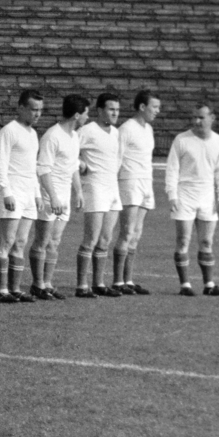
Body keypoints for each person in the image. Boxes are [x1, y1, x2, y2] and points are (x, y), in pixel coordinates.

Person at [165, 103, 219, 296]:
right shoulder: (182, 139)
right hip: (185, 195)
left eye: (201, 117)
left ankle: (209, 284)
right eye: (194, 117)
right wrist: (172, 194)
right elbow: (172, 168)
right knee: (183, 240)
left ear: (212, 118)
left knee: (206, 242)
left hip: (207, 196)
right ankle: (185, 285)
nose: (196, 121)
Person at [29, 94, 89, 300]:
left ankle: (47, 283)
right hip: (49, 195)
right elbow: (43, 169)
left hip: (63, 196)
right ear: (77, 115)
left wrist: (78, 191)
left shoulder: (73, 136)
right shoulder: (52, 136)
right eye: (86, 114)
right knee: (42, 240)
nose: (86, 118)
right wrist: (53, 196)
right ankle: (37, 284)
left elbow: (72, 167)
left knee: (55, 241)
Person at [0, 89, 43, 303]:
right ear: (20, 108)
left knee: (20, 242)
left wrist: (38, 193)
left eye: (40, 110)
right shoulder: (9, 131)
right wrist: (6, 192)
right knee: (7, 241)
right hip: (12, 192)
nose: (37, 114)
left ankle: (15, 288)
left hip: (28, 193)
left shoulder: (33, 133)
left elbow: (32, 168)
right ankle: (1, 290)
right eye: (33, 109)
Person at [74, 92, 123, 298]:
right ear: (100, 110)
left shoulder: (116, 132)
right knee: (91, 239)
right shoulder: (87, 130)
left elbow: (118, 158)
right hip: (94, 188)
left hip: (112, 188)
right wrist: (80, 164)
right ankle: (81, 285)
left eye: (117, 110)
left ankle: (99, 283)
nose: (115, 113)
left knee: (105, 239)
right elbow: (69, 152)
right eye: (111, 109)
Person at [111, 90, 160, 294]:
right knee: (127, 232)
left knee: (136, 234)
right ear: (142, 107)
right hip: (129, 182)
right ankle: (117, 282)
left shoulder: (148, 128)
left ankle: (128, 280)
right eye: (154, 107)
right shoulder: (126, 128)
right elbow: (117, 158)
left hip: (145, 183)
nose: (157, 111)